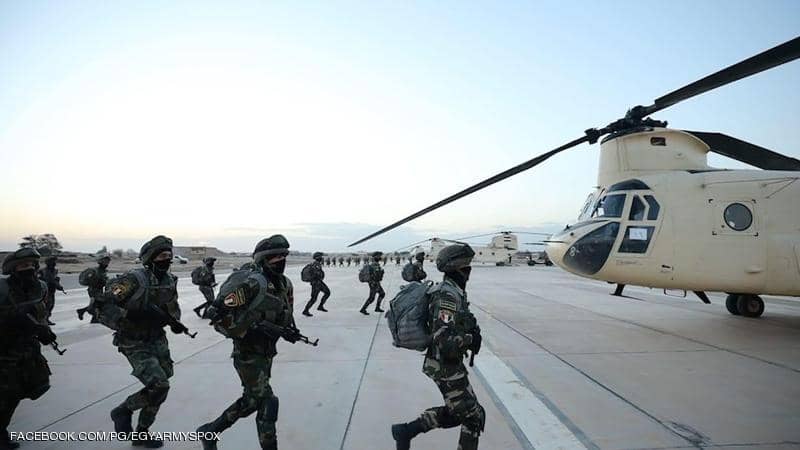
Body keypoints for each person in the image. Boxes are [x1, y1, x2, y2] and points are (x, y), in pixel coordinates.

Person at [197, 235, 301, 450]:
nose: (281, 261)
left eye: (283, 256)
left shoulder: (284, 284)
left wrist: (289, 331)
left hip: (267, 352)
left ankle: (211, 431)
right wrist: (251, 327)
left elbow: (285, 312)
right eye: (275, 258)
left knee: (252, 401)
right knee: (267, 401)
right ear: (263, 260)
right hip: (247, 352)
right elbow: (218, 315)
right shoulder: (251, 284)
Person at [392, 244, 484, 450]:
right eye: (466, 268)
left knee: (457, 413)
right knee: (473, 417)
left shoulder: (454, 292)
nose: (469, 272)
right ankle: (406, 431)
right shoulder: (447, 297)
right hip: (445, 367)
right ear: (458, 270)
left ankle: (406, 431)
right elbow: (444, 339)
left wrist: (470, 329)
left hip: (448, 364)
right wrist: (470, 339)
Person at [97, 235, 183, 448]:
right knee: (159, 385)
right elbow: (103, 305)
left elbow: (172, 308)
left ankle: (141, 433)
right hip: (134, 341)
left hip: (157, 339)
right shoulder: (133, 280)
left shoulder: (169, 281)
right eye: (161, 256)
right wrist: (128, 317)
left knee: (160, 388)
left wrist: (174, 322)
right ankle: (123, 410)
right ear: (150, 258)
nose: (166, 259)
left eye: (169, 255)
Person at [0, 248, 57, 450]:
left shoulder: (40, 287)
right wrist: (15, 316)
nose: (29, 269)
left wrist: (44, 331)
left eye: (32, 265)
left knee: (36, 385)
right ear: (13, 268)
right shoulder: (3, 289)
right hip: (4, 349)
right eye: (24, 265)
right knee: (9, 392)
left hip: (27, 348)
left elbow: (41, 315)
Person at [77, 252, 111, 322]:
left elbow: (104, 280)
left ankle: (84, 313)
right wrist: (100, 282)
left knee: (97, 304)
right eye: (105, 261)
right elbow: (93, 281)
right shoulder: (96, 270)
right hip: (93, 290)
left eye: (107, 262)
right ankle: (93, 317)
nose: (107, 263)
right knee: (98, 304)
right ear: (101, 262)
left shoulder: (103, 271)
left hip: (99, 289)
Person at [302, 252, 330, 316]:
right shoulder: (316, 265)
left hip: (318, 283)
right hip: (316, 283)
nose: (322, 258)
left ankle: (320, 306)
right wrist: (320, 275)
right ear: (318, 257)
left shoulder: (316, 264)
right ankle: (306, 310)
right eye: (321, 257)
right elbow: (317, 274)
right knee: (314, 298)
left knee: (327, 293)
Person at [37, 256, 64, 323]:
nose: (54, 263)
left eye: (54, 261)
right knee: (46, 305)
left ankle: (47, 319)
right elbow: (39, 281)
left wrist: (59, 286)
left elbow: (55, 280)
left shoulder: (55, 271)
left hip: (52, 290)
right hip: (45, 291)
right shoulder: (42, 271)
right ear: (48, 263)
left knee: (51, 305)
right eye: (52, 261)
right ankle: (43, 320)